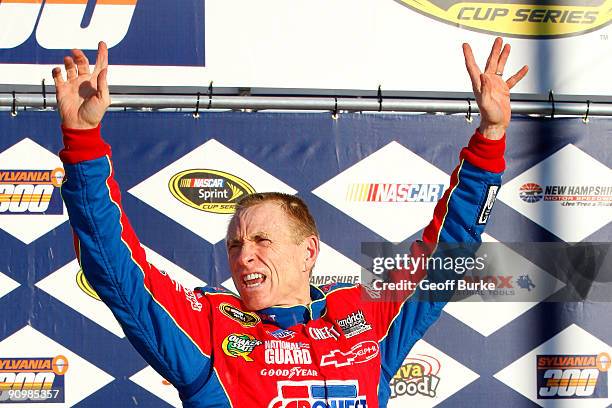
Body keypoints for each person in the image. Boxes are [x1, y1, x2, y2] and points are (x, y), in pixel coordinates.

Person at [54, 39, 527, 407]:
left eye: (262, 239)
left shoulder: (365, 318)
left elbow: (446, 254)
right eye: (235, 245)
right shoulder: (209, 328)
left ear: (309, 251)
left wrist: (490, 136)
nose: (244, 256)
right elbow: (115, 269)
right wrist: (83, 142)